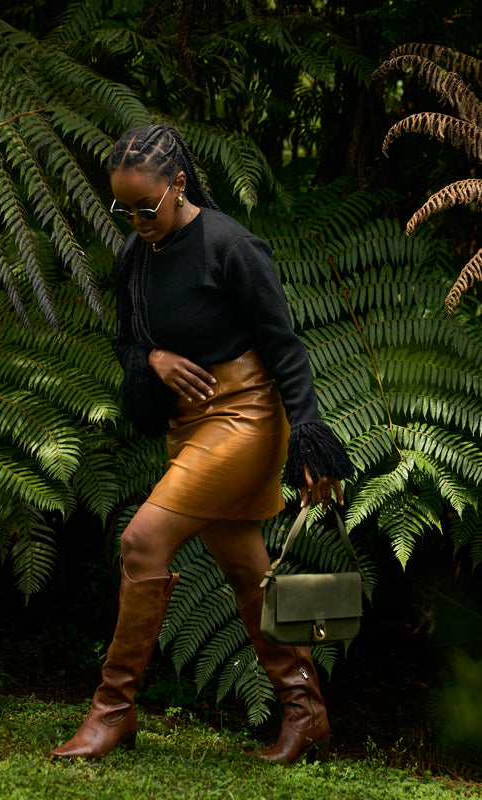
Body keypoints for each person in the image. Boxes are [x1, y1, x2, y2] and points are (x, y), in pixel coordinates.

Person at [50, 124, 353, 764]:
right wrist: (153, 357)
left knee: (141, 540)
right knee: (249, 570)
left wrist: (311, 440)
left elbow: (285, 347)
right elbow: (126, 341)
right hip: (187, 428)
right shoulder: (137, 256)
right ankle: (306, 712)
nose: (136, 220)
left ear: (180, 184)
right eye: (123, 209)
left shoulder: (231, 246)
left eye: (147, 206)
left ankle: (112, 710)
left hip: (245, 418)